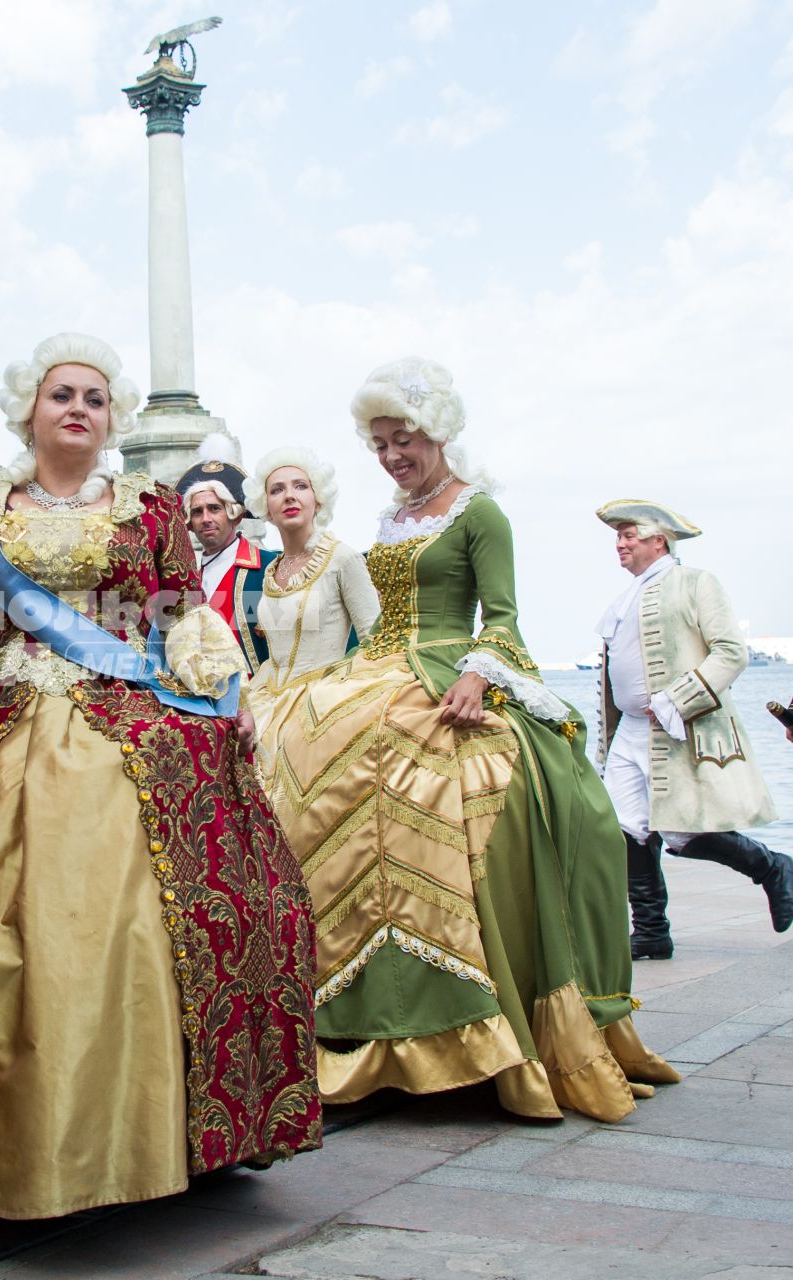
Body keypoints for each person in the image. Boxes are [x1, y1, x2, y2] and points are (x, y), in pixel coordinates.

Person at [0, 332, 320, 1224]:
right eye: (60, 395)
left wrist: (222, 691)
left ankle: (168, 1132)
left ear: (109, 418)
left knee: (157, 919)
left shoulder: (149, 507)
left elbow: (178, 611)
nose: (78, 408)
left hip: (126, 721)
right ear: (28, 410)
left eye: (94, 399)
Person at [264, 357, 678, 1123]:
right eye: (380, 444)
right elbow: (375, 620)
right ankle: (349, 1010)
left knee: (455, 781)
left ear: (438, 433)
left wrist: (477, 677)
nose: (392, 456)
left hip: (453, 665)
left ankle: (460, 1014)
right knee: (298, 750)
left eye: (404, 440)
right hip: (380, 666)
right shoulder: (390, 519)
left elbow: (503, 617)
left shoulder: (479, 513)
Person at [595, 500, 790, 960]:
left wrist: (676, 701)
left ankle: (774, 868)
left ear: (658, 540)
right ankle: (651, 932)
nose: (619, 545)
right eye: (617, 537)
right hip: (629, 733)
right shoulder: (624, 599)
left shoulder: (697, 582)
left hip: (675, 728)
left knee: (683, 832)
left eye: (629, 535)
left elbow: (730, 652)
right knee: (627, 828)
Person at [242, 447, 378, 775]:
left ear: (318, 500)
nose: (289, 496)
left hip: (323, 708)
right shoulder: (271, 572)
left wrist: (339, 697)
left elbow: (375, 642)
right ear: (267, 510)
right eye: (277, 490)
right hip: (267, 705)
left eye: (300, 486)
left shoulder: (342, 559)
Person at [177, 432, 276, 676]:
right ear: (189, 523)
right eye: (197, 512)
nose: (206, 519)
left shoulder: (270, 566)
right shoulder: (184, 579)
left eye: (214, 509)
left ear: (236, 515)